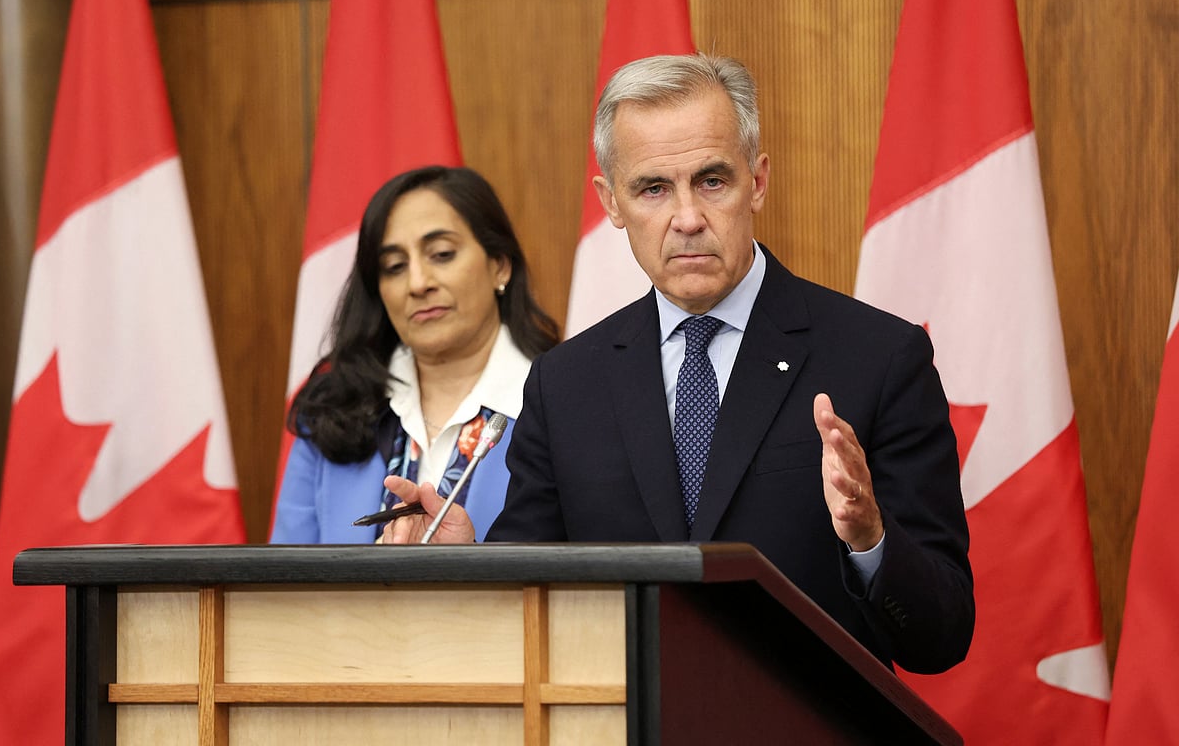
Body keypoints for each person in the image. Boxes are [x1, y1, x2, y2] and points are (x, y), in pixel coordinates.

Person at [383, 54, 974, 674]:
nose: (687, 218)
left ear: (759, 181)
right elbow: (528, 609)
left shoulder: (878, 359)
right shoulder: (566, 385)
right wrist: (467, 561)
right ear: (612, 202)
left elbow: (942, 635)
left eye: (712, 180)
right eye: (653, 188)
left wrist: (870, 538)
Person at [270, 165, 560, 544]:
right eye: (394, 267)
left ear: (499, 266)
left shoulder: (565, 403)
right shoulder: (331, 411)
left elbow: (584, 587)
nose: (418, 283)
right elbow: (284, 588)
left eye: (441, 254)